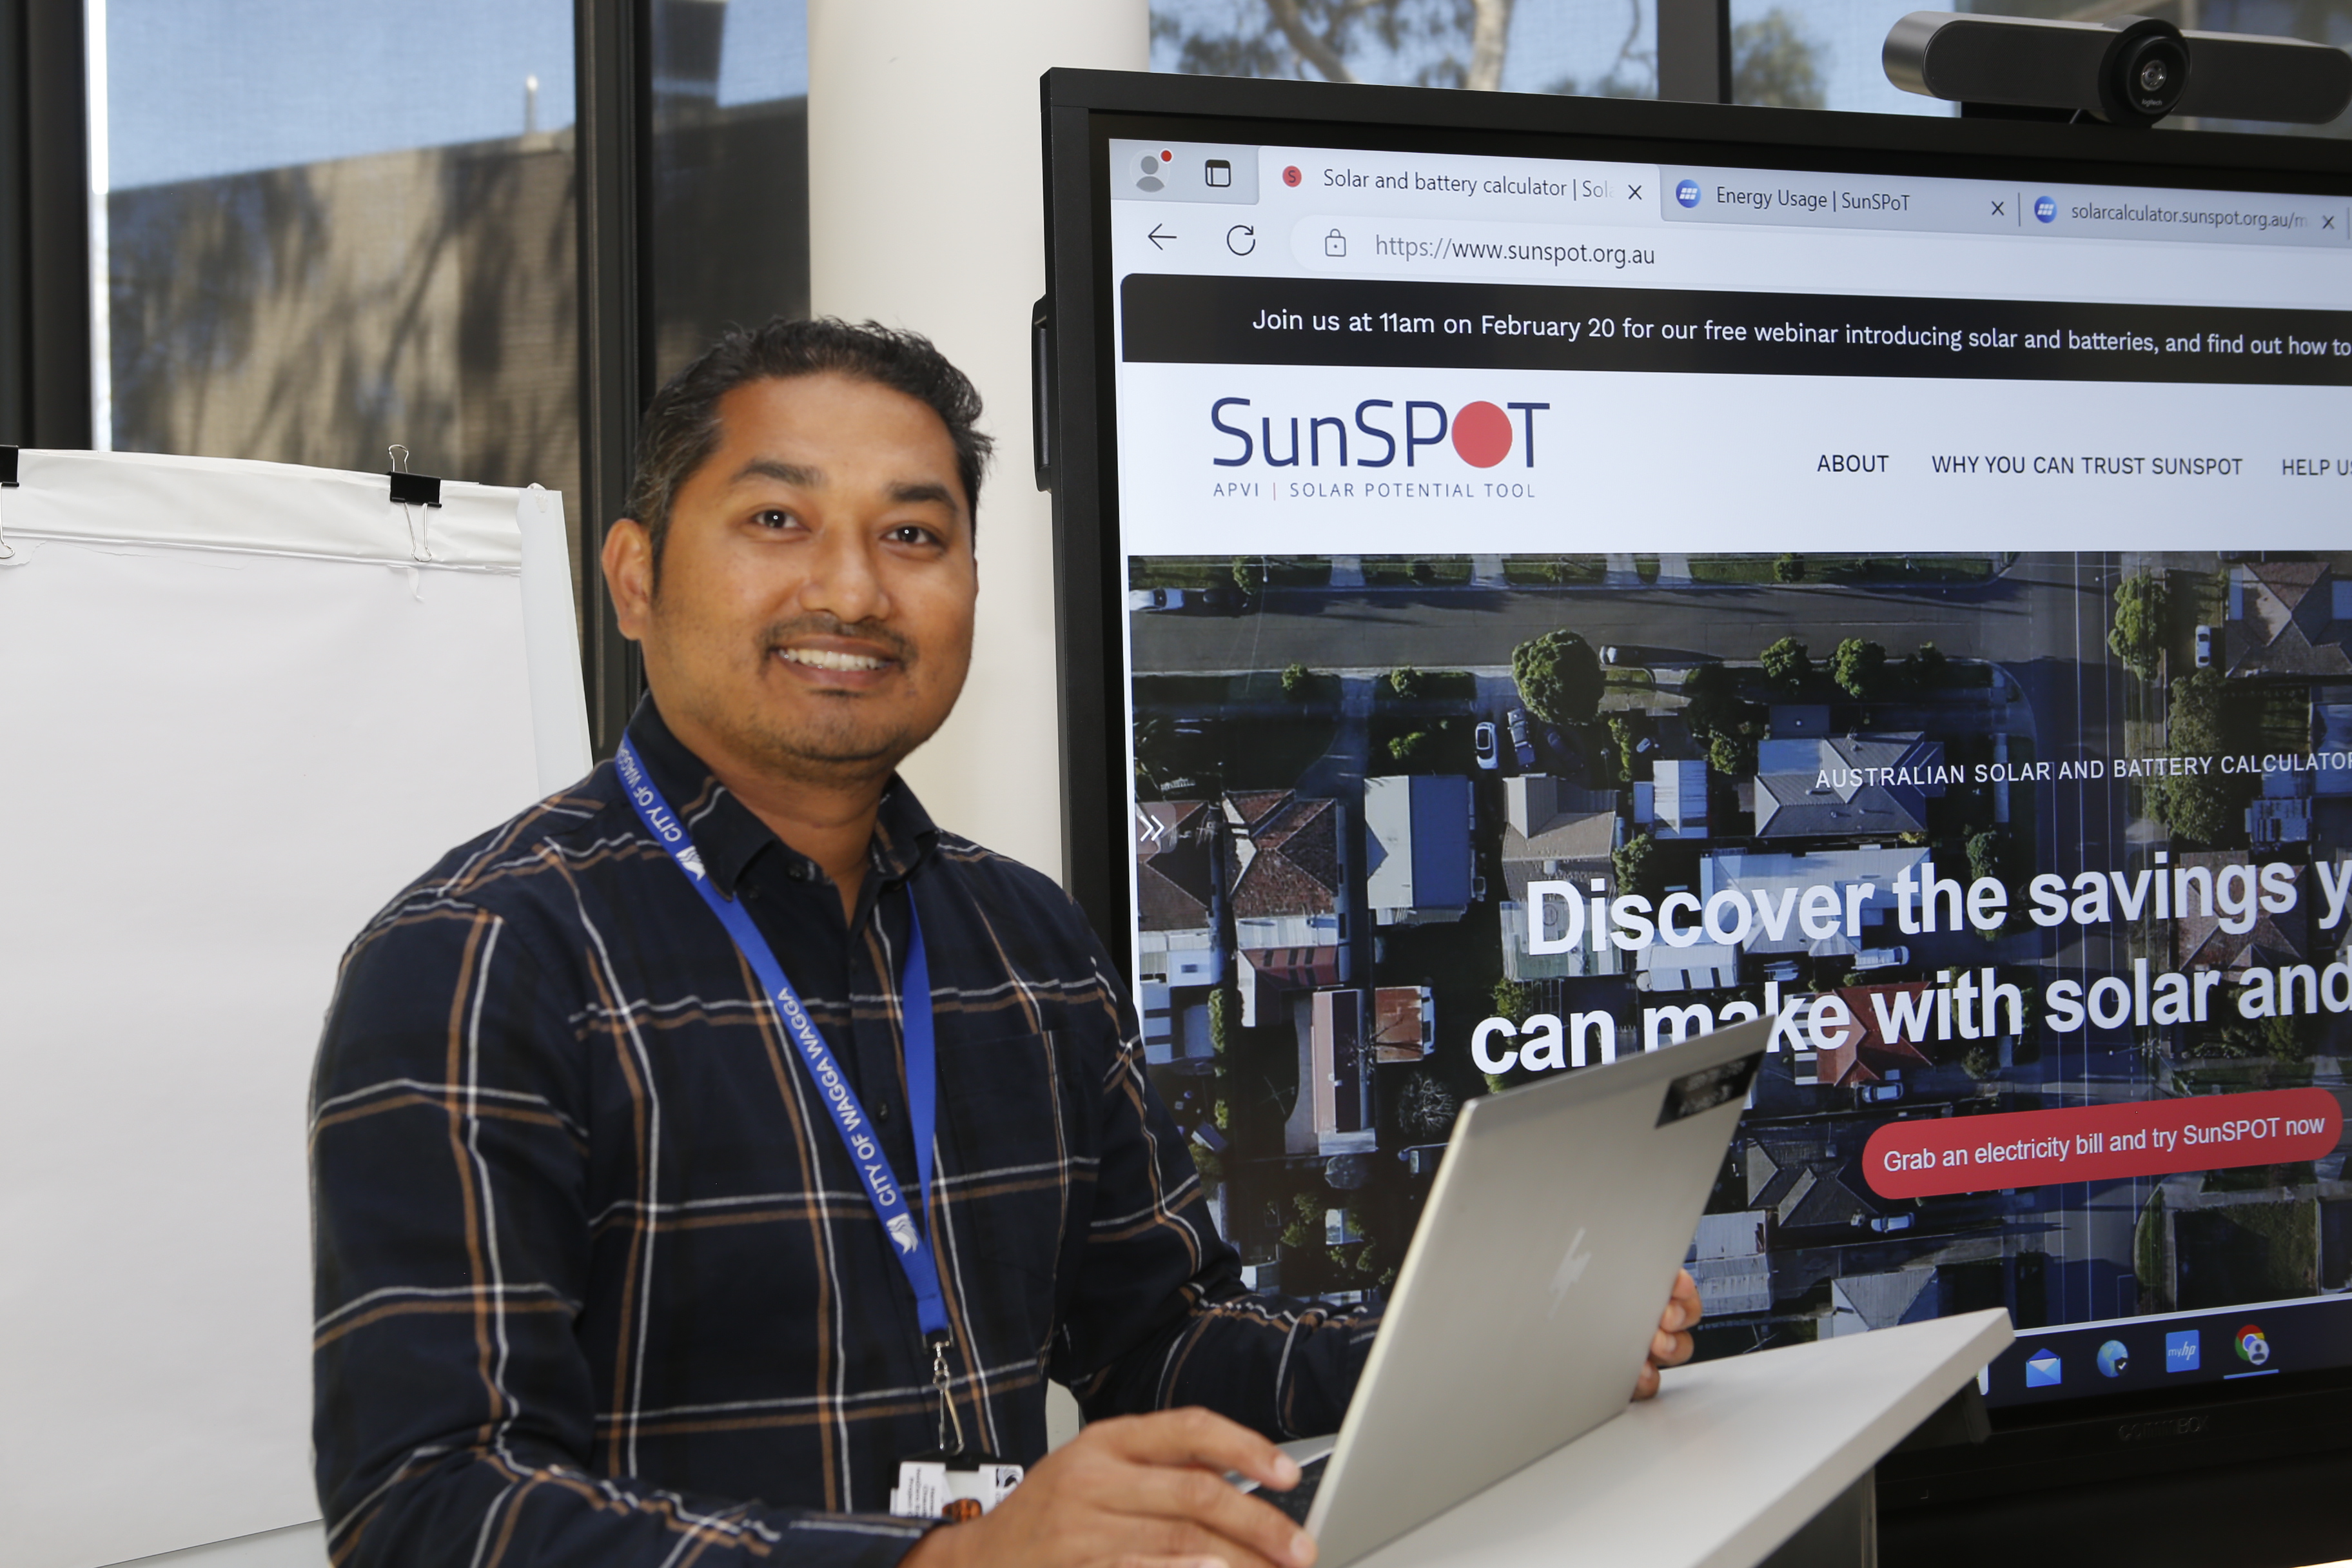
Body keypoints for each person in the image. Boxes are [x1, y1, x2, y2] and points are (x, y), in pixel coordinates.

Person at [308, 317, 1702, 1568]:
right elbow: (429, 1506)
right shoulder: (483, 958)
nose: (852, 591)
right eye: (779, 519)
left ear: (971, 581)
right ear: (632, 576)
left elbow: (1162, 1345)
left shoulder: (1023, 941)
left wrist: (1491, 1344)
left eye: (912, 535)